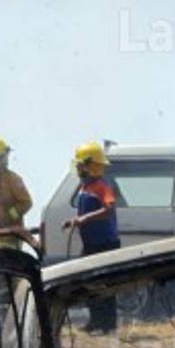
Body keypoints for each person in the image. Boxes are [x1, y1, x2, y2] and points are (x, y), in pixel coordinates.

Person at [63, 141, 123, 332]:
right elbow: (85, 213)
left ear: (90, 165)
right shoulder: (85, 188)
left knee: (105, 285)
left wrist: (83, 219)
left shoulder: (101, 186)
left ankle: (108, 324)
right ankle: (96, 321)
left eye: (81, 164)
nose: (78, 168)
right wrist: (74, 220)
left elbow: (109, 208)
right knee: (88, 283)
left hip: (105, 244)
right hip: (91, 243)